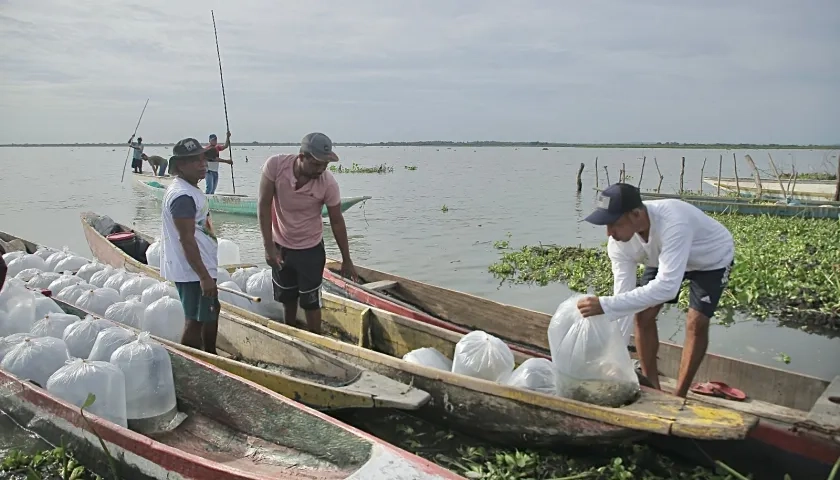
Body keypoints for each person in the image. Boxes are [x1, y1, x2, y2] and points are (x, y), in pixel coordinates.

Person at [577, 183, 734, 398]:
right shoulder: (619, 243)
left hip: (709, 259)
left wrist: (604, 305)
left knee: (696, 322)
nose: (609, 233)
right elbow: (623, 300)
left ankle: (680, 395)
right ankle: (653, 388)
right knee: (642, 315)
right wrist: (616, 357)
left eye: (614, 223)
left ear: (636, 214)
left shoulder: (674, 223)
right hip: (662, 256)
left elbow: (667, 288)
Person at [257, 132, 358, 334]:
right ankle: (290, 331)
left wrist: (347, 259)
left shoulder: (328, 183)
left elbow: (337, 221)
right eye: (316, 164)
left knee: (311, 301)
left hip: (310, 248)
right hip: (281, 245)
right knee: (287, 296)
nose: (321, 170)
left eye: (325, 165)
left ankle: (316, 338)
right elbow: (264, 204)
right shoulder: (275, 166)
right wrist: (269, 248)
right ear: (301, 157)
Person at [159, 137, 220, 354]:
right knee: (195, 320)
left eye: (203, 158)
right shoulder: (182, 195)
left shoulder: (190, 188)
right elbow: (186, 239)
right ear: (180, 166)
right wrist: (203, 276)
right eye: (195, 160)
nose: (202, 163)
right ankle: (193, 359)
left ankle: (210, 355)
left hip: (200, 267)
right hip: (192, 271)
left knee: (209, 313)